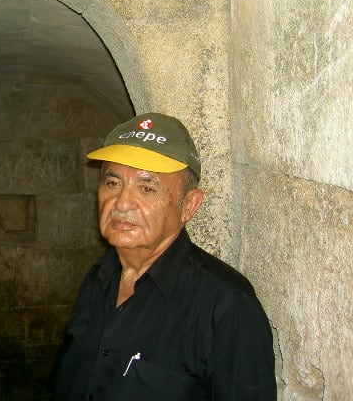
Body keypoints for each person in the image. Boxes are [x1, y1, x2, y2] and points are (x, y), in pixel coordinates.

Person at [52, 112, 276, 401]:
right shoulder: (99, 278)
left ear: (188, 206)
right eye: (112, 183)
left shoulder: (226, 306)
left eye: (147, 188)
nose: (121, 203)